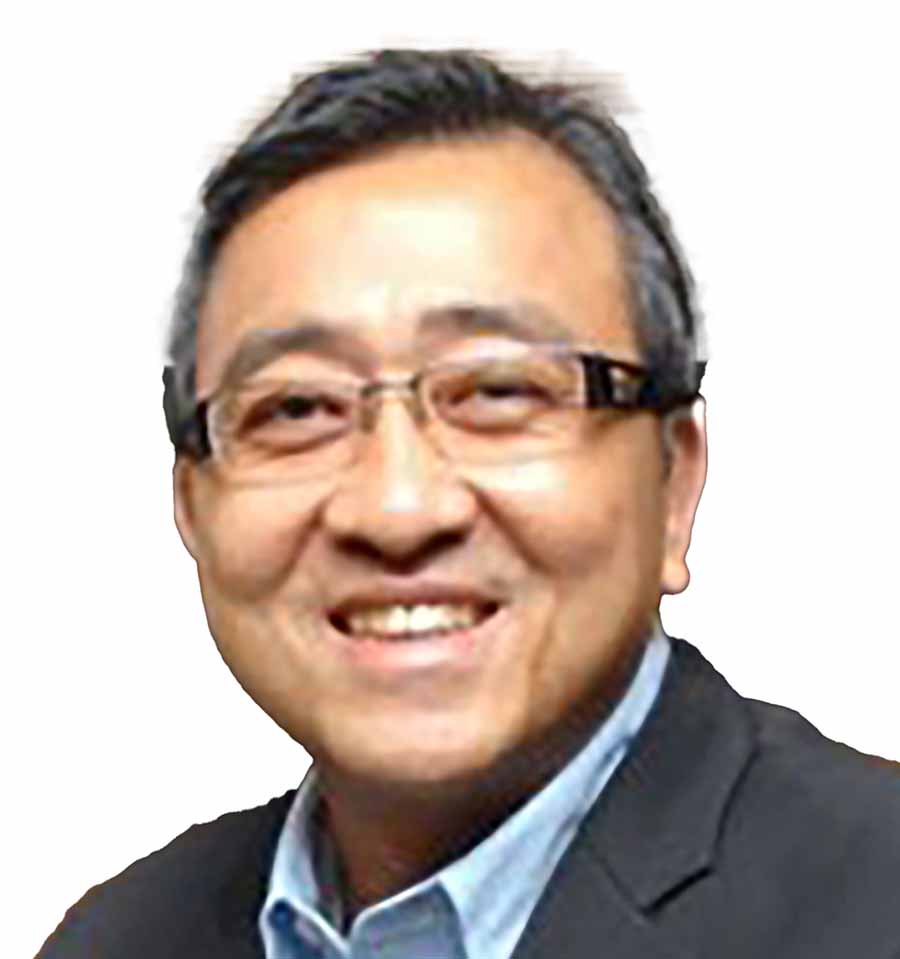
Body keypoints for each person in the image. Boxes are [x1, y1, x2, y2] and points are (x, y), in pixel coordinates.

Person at [37, 48, 900, 959]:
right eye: (296, 408)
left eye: (498, 392)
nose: (397, 508)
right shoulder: (120, 939)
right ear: (192, 504)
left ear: (675, 481)